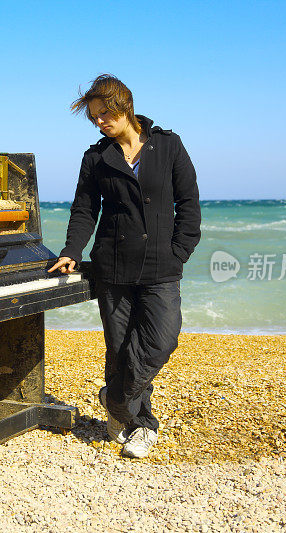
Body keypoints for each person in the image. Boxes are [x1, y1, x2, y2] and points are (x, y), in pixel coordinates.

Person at [48, 74, 201, 458]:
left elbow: (190, 204)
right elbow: (85, 209)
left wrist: (179, 250)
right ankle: (140, 424)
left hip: (161, 267)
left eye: (104, 114)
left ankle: (114, 401)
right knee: (120, 348)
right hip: (112, 267)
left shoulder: (168, 146)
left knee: (161, 339)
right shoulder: (96, 157)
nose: (99, 121)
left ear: (124, 106)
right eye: (94, 118)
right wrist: (71, 249)